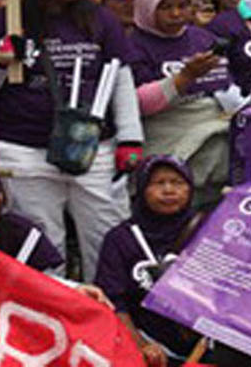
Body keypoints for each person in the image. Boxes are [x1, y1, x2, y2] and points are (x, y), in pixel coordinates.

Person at [0, 0, 144, 281]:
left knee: (105, 234)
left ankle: (108, 313)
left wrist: (130, 138)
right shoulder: (4, 21)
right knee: (43, 241)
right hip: (24, 149)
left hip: (91, 148)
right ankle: (52, 315)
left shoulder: (100, 20)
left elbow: (120, 79)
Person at [130, 0, 235, 208]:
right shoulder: (134, 45)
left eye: (182, 6)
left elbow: (227, 82)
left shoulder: (202, 38)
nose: (176, 14)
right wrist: (185, 77)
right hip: (167, 136)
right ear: (148, 8)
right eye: (165, 7)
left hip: (214, 138)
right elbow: (135, 103)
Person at [94, 156, 199, 366]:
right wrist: (140, 345)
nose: (169, 190)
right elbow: (113, 301)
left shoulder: (209, 230)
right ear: (141, 189)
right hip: (148, 344)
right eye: (158, 183)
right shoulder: (121, 239)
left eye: (177, 183)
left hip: (207, 344)